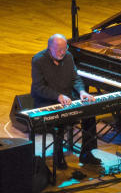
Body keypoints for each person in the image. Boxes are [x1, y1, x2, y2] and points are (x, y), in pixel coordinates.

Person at [30, 33, 101, 170]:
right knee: (61, 119)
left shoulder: (68, 56)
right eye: (59, 50)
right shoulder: (38, 60)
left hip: (67, 99)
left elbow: (76, 78)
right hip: (47, 101)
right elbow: (38, 88)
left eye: (65, 49)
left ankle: (86, 153)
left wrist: (82, 91)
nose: (62, 53)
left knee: (90, 113)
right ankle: (58, 154)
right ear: (49, 48)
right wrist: (58, 96)